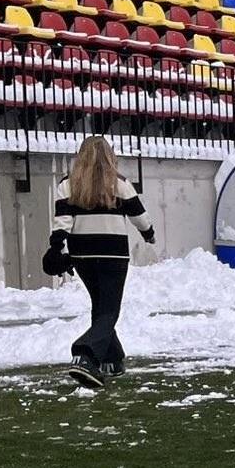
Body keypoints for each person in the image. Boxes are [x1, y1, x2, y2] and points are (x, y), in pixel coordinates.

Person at [44, 136, 154, 388]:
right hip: (113, 255)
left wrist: (56, 247)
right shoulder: (119, 184)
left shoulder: (68, 185)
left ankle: (112, 359)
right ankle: (84, 354)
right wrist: (149, 234)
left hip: (82, 255)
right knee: (109, 311)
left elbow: (62, 222)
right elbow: (140, 216)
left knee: (101, 306)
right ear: (109, 157)